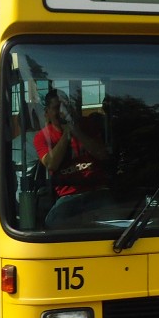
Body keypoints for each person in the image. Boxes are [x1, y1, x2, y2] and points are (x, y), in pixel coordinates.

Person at [32, 89, 111, 227]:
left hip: (98, 191)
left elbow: (102, 154)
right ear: (47, 112)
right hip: (68, 196)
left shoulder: (86, 125)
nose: (61, 112)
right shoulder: (42, 137)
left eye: (64, 106)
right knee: (53, 224)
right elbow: (51, 164)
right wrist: (67, 134)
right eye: (56, 108)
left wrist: (76, 130)